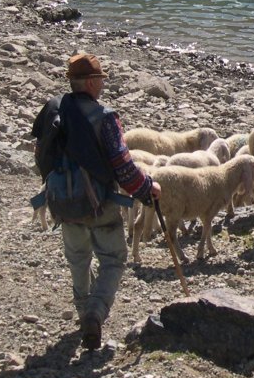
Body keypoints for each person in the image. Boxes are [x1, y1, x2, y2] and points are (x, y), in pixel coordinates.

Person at [31, 53, 161, 351]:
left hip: (63, 203)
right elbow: (123, 167)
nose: (102, 86)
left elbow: (41, 155)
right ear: (90, 82)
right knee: (113, 259)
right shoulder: (104, 117)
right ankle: (96, 312)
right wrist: (147, 189)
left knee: (78, 259)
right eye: (100, 80)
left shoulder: (52, 109)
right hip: (99, 204)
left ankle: (83, 314)